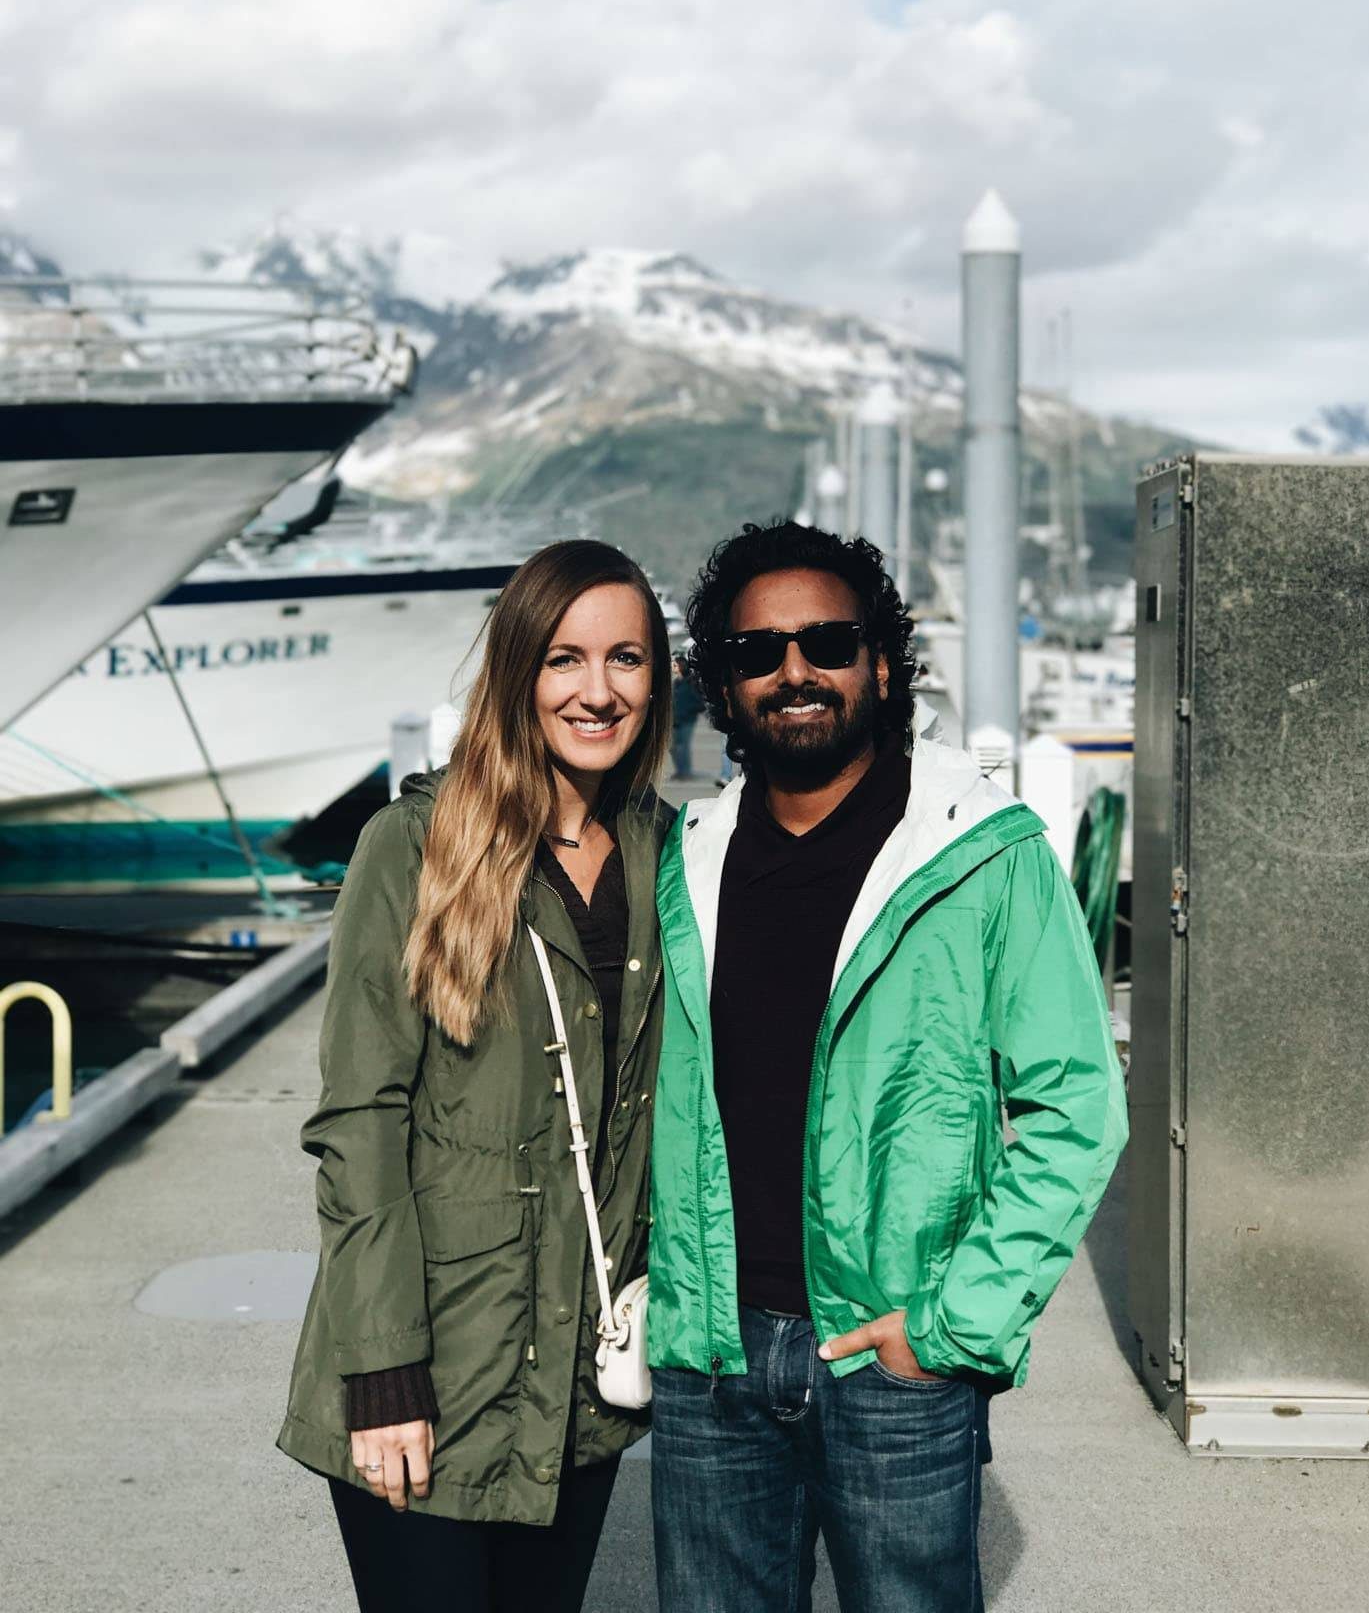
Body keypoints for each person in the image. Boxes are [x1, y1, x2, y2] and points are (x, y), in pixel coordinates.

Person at [646, 520, 1127, 1613]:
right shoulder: (686, 859)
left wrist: (954, 1325)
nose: (794, 672)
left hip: (892, 1359)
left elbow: (1078, 1107)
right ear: (721, 682)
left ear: (880, 662)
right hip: (710, 1359)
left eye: (826, 641)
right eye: (757, 651)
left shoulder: (983, 855)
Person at [277, 540, 673, 1613]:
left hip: (581, 1383)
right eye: (563, 659)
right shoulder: (413, 846)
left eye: (626, 658)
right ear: (515, 671)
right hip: (430, 1366)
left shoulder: (671, 856)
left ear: (657, 679)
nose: (597, 690)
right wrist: (383, 1369)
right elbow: (359, 1121)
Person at [669, 654, 703, 780]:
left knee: (683, 746)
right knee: (672, 747)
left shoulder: (690, 682)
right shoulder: (676, 682)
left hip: (687, 720)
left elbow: (700, 703)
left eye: (675, 665)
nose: (672, 667)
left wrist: (688, 710)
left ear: (681, 666)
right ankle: (680, 771)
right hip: (675, 719)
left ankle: (685, 772)